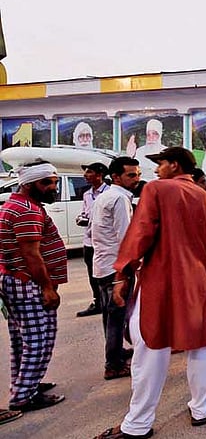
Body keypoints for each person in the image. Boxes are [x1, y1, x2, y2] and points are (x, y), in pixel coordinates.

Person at [92, 146, 206, 439]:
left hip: (162, 281)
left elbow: (140, 234)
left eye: (160, 163)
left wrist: (123, 274)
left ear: (174, 165)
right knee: (201, 345)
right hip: (199, 282)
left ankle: (138, 424)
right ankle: (201, 408)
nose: (156, 169)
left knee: (150, 347)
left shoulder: (157, 190)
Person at [0, 163, 67, 413]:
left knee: (23, 339)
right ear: (29, 185)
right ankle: (23, 396)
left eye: (55, 182)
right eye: (46, 183)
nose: (53, 187)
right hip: (28, 282)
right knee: (39, 340)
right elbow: (31, 254)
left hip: (16, 280)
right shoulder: (26, 210)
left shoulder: (17, 205)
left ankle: (25, 384)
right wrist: (48, 288)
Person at [90, 156, 141, 380]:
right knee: (117, 317)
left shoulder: (105, 196)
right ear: (116, 177)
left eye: (138, 174)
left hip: (102, 264)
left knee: (110, 315)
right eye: (131, 175)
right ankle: (114, 363)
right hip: (115, 267)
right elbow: (126, 237)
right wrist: (130, 268)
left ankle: (117, 352)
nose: (136, 179)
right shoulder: (119, 199)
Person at [74, 162, 109, 318]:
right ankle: (98, 302)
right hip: (89, 241)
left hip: (104, 242)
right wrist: (81, 218)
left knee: (105, 275)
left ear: (99, 175)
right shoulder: (87, 194)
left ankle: (107, 302)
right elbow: (85, 212)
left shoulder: (109, 193)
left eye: (89, 172)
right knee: (92, 274)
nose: (85, 175)